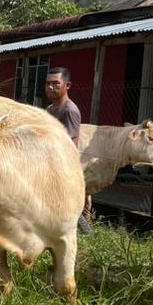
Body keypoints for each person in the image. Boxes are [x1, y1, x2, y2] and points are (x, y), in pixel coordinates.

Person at [45, 66, 92, 234]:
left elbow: (71, 144)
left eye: (56, 83)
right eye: (48, 83)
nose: (51, 87)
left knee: (69, 207)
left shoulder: (69, 110)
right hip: (48, 163)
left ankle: (87, 236)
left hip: (61, 167)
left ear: (67, 85)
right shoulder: (51, 109)